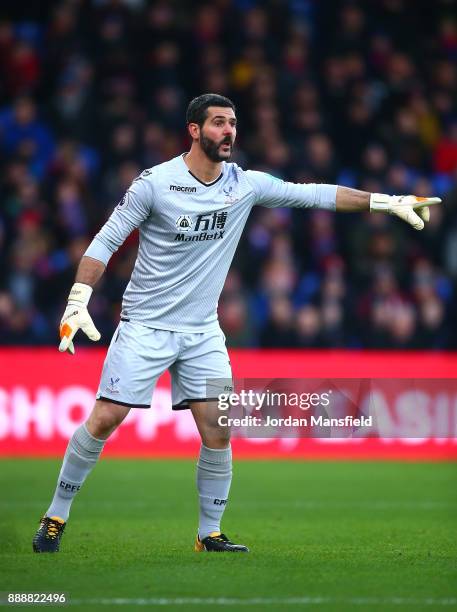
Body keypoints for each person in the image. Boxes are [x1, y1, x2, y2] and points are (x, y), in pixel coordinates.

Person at [32, 93, 441, 554]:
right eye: (219, 123)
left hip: (202, 330)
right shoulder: (154, 184)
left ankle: (209, 534)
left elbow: (314, 195)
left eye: (233, 124)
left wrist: (386, 202)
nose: (230, 132)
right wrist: (78, 300)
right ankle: (55, 515)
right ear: (194, 129)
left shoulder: (244, 184)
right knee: (106, 418)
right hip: (145, 324)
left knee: (219, 429)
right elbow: (105, 241)